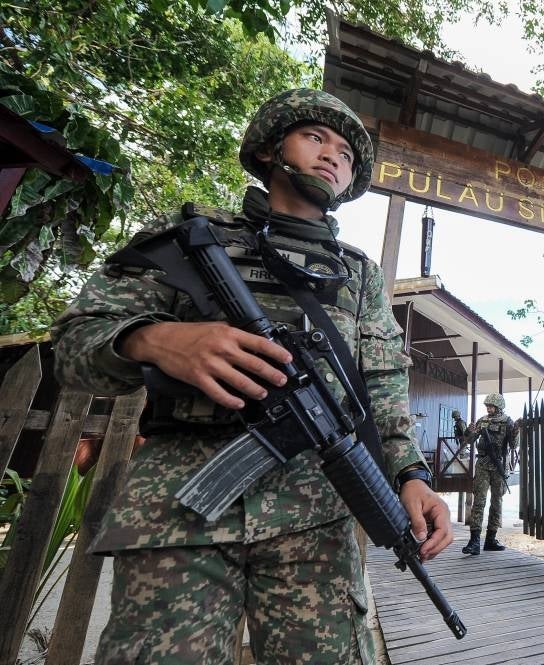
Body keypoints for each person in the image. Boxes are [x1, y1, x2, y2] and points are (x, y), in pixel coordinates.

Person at [51, 88, 452, 664]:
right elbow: (72, 344)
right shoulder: (190, 237)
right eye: (315, 137)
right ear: (269, 149)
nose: (332, 155)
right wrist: (155, 339)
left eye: (346, 152)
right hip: (180, 516)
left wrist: (411, 474)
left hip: (316, 519)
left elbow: (383, 387)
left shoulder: (359, 274)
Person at [458, 393, 515, 555]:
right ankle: (474, 541)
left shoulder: (507, 422)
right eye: (487, 406)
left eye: (491, 406)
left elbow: (513, 445)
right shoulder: (482, 420)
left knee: (497, 502)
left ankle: (491, 539)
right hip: (482, 464)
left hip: (499, 466)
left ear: (499, 406)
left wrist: (516, 431)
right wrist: (469, 432)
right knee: (479, 501)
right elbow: (469, 441)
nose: (488, 408)